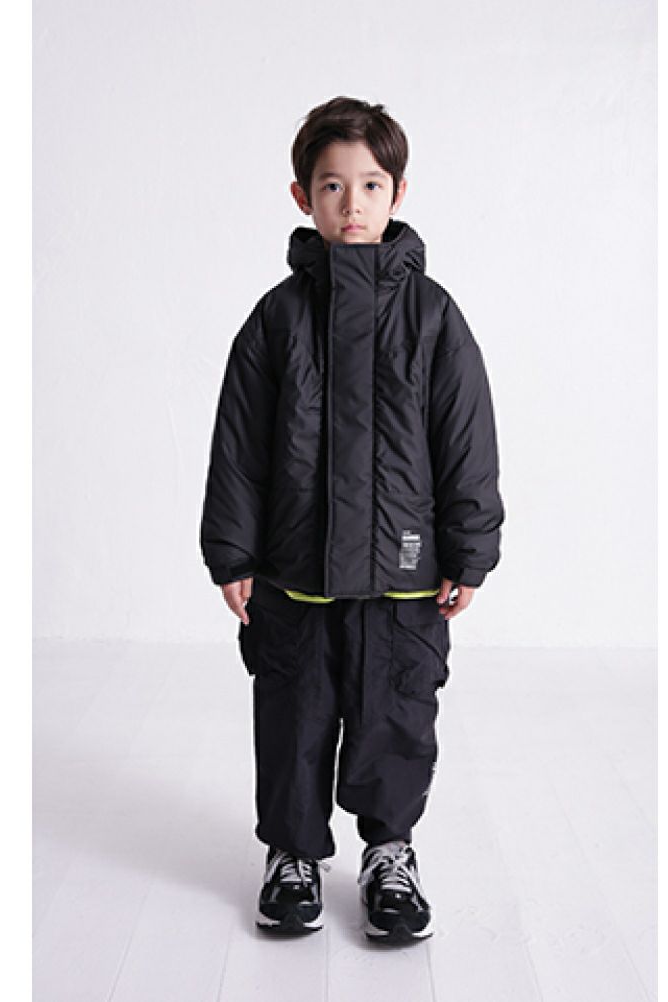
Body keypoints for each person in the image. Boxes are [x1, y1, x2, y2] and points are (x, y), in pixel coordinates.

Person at [199, 96, 504, 943]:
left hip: (405, 576)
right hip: (295, 575)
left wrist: (470, 550)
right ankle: (292, 855)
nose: (353, 203)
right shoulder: (277, 319)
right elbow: (240, 446)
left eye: (370, 185)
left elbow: (466, 439)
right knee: (293, 717)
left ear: (398, 192)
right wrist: (232, 552)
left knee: (395, 719)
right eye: (332, 186)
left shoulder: (433, 316)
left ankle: (389, 853)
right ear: (304, 197)